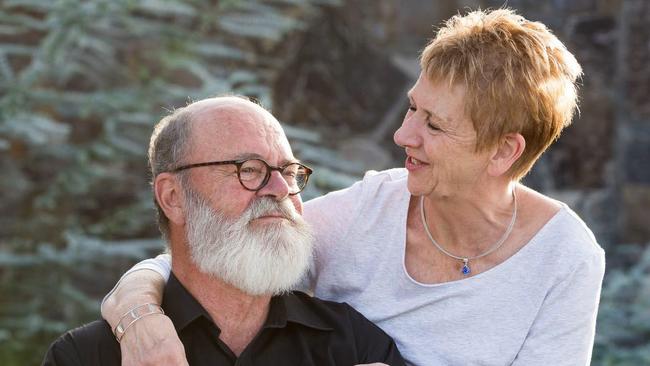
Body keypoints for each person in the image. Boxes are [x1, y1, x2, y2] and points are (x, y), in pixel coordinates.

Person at [101, 8, 606, 366]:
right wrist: (140, 316)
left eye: (434, 125)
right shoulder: (369, 210)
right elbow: (206, 249)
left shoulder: (565, 257)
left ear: (503, 152)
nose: (403, 135)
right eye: (413, 107)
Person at [42, 97, 406, 366]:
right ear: (173, 197)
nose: (279, 189)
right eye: (249, 169)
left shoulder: (352, 344)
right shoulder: (86, 356)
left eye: (290, 172)